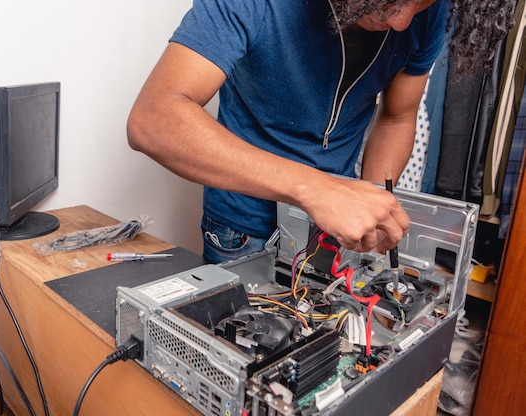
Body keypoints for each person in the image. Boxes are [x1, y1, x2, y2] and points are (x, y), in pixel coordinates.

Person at [127, 0, 515, 263]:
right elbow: (153, 118)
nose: (402, 21)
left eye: (423, 3)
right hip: (241, 228)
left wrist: (375, 204)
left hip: (334, 226)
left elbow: (398, 116)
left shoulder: (426, 14)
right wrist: (315, 188)